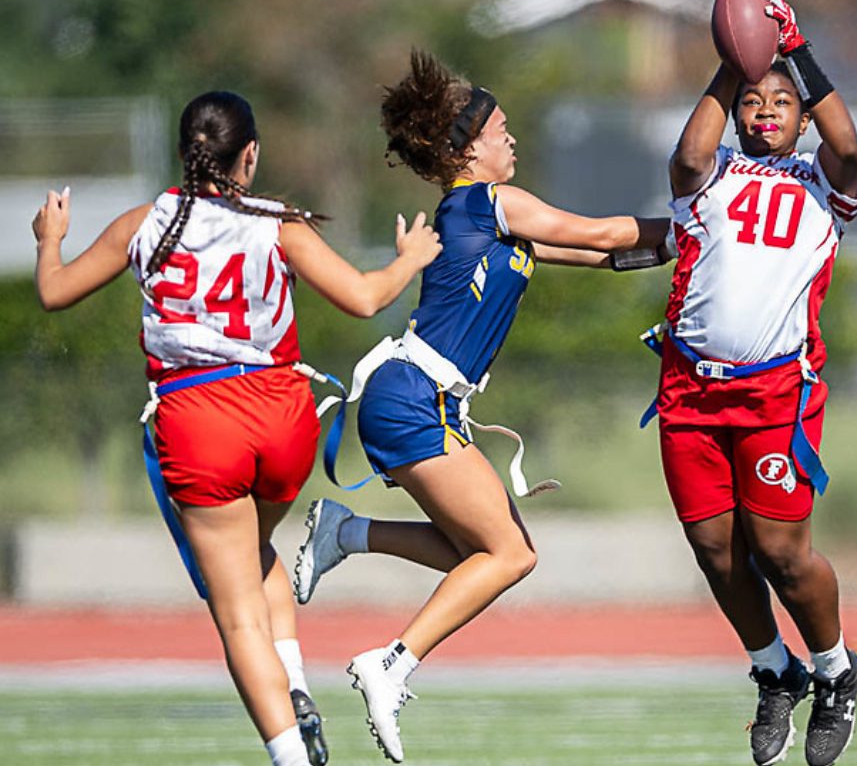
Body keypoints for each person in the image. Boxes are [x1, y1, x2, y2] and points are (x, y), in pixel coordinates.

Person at [31, 91, 441, 766]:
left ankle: (288, 753)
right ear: (249, 155)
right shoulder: (279, 221)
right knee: (254, 553)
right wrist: (411, 256)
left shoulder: (144, 222)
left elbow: (54, 292)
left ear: (184, 154)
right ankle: (298, 685)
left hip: (198, 416)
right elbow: (366, 296)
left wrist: (51, 241)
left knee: (236, 610)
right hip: (283, 413)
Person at [292, 49, 670, 763]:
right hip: (412, 396)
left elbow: (603, 257)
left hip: (418, 398)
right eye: (502, 129)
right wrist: (693, 217)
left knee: (488, 552)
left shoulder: (491, 215)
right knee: (510, 553)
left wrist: (684, 243)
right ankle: (391, 662)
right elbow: (598, 232)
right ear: (469, 149)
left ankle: (348, 533)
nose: (513, 139)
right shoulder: (487, 202)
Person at [646, 0, 857, 765]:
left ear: (803, 114)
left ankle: (835, 667)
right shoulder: (709, 178)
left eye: (780, 103)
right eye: (753, 101)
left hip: (774, 391)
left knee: (780, 552)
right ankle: (772, 669)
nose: (765, 111)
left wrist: (792, 47)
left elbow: (848, 150)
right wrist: (733, 61)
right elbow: (687, 153)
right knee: (715, 550)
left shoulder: (822, 180)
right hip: (688, 388)